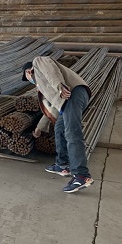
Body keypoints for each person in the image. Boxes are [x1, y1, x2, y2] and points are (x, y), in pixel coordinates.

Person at [22, 57, 94, 193]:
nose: (30, 81)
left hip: (73, 93)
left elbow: (51, 70)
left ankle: (81, 176)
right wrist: (39, 128)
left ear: (28, 72)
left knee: (72, 133)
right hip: (67, 100)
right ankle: (62, 165)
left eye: (27, 78)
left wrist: (60, 86)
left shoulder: (38, 62)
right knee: (59, 128)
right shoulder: (43, 87)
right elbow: (53, 108)